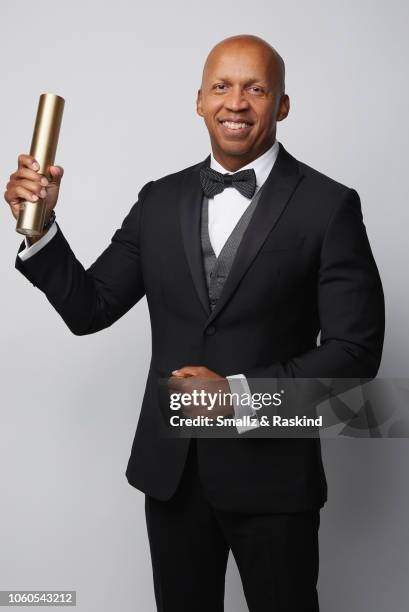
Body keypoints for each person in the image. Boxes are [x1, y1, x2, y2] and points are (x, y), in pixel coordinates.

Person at [5, 34, 385, 612]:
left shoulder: (328, 206)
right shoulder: (159, 200)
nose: (237, 103)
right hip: (173, 474)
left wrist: (236, 398)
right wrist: (41, 228)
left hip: (274, 482)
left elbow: (355, 355)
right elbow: (91, 308)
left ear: (282, 104)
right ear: (200, 101)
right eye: (222, 87)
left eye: (256, 88)